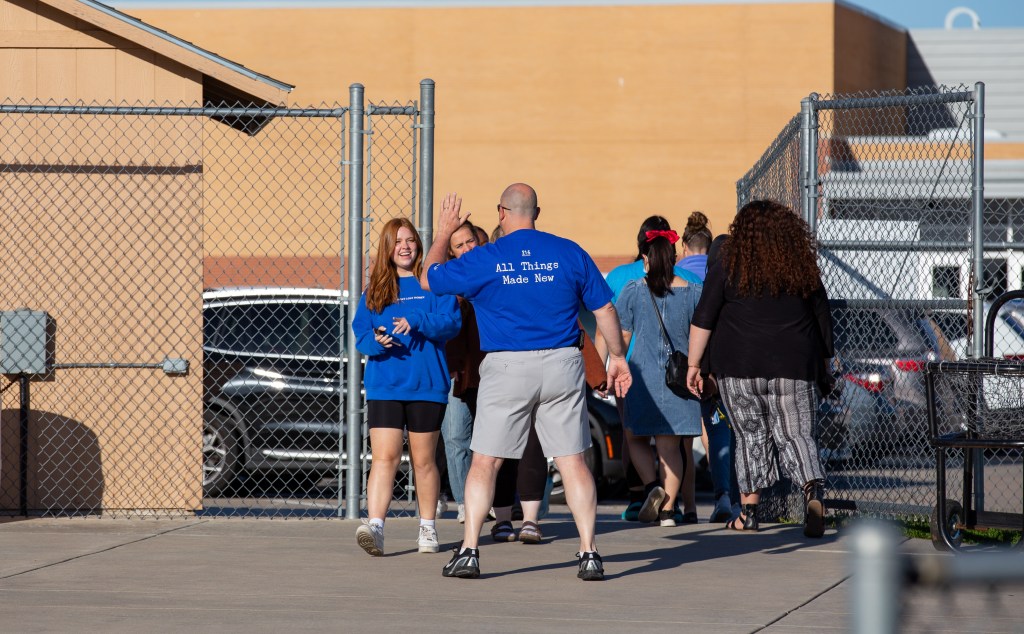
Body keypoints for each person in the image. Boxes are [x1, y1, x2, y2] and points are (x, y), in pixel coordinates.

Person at [421, 183, 632, 580]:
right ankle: (589, 552)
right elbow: (604, 308)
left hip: (507, 365)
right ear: (536, 212)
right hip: (562, 362)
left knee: (485, 461)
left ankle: (469, 551)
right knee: (572, 461)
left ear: (501, 212)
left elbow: (429, 279)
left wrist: (445, 231)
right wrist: (617, 358)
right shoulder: (569, 252)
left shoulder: (485, 257)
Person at [686, 199, 833, 538]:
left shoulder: (727, 262)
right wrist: (825, 362)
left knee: (750, 435)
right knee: (797, 433)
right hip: (795, 363)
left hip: (739, 364)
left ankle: (749, 514)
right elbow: (821, 316)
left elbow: (704, 317)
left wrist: (694, 365)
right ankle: (812, 491)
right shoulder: (799, 265)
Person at [352, 218, 461, 556]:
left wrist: (417, 320)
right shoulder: (375, 291)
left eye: (410, 240)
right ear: (387, 248)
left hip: (426, 385)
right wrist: (377, 341)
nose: (405, 246)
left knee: (423, 461)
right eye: (397, 241)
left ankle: (427, 527)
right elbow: (361, 335)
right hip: (385, 386)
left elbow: (451, 324)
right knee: (383, 458)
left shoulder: (433, 284)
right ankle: (376, 527)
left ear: (418, 245)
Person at [597, 215, 702, 524]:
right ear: (673, 255)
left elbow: (622, 338)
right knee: (671, 447)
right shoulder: (693, 291)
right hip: (679, 378)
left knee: (635, 437)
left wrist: (611, 366)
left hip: (641, 377)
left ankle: (651, 486)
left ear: (645, 256)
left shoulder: (632, 289)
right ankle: (668, 510)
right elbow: (701, 336)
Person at [679, 211, 735, 524]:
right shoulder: (737, 277)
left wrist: (695, 365)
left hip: (702, 368)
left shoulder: (681, 276)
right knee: (742, 432)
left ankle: (721, 495)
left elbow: (696, 324)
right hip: (737, 365)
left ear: (684, 246)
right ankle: (745, 499)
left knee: (715, 433)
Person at [441, 221, 488, 524]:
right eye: (459, 245)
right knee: (456, 435)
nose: (467, 249)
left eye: (470, 241)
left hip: (490, 367)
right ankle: (463, 502)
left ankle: (491, 500)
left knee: (490, 440)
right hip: (458, 369)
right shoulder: (448, 281)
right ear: (451, 252)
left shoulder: (492, 272)